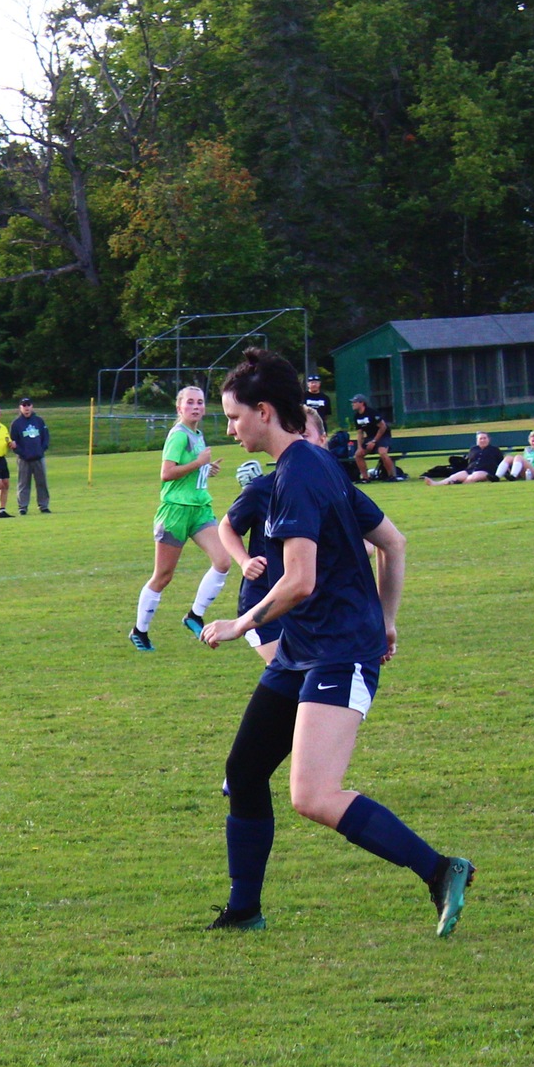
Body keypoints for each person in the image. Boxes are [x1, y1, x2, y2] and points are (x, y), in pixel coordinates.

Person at [197, 347, 474, 936]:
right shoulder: (314, 468)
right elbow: (393, 544)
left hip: (337, 652)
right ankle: (244, 910)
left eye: (233, 417)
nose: (229, 429)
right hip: (304, 650)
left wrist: (239, 625)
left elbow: (300, 580)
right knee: (245, 773)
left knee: (313, 795)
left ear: (265, 411)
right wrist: (388, 618)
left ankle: (439, 869)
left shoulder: (301, 474)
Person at [212, 405, 330, 668]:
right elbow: (227, 526)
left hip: (310, 604)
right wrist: (244, 561)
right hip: (263, 603)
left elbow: (375, 542)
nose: (300, 443)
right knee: (293, 675)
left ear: (323, 439)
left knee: (307, 682)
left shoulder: (333, 487)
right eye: (296, 435)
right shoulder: (263, 489)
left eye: (306, 435)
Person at [129, 385, 235, 652]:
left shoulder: (197, 434)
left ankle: (194, 616)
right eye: (190, 402)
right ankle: (139, 631)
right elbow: (166, 473)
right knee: (163, 576)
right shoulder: (178, 435)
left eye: (200, 402)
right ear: (179, 408)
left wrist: (205, 470)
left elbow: (188, 470)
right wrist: (198, 463)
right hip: (175, 511)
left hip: (199, 509)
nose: (196, 406)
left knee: (223, 561)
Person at [8, 395, 52, 514]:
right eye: (24, 406)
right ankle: (22, 507)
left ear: (32, 407)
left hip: (38, 457)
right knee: (23, 484)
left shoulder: (39, 421)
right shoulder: (16, 424)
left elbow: (45, 437)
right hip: (23, 459)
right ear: (20, 408)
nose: (26, 408)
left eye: (28, 405)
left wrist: (41, 450)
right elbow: (13, 443)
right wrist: (22, 453)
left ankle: (43, 505)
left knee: (42, 483)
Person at [349, 396, 398, 481]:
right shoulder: (357, 416)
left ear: (362, 403)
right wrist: (360, 447)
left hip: (383, 436)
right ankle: (365, 478)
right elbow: (360, 433)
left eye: (355, 402)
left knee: (382, 453)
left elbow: (383, 427)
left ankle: (392, 476)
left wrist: (374, 441)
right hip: (370, 437)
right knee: (358, 455)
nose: (352, 404)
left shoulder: (372, 413)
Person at [429, 432, 501, 485]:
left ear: (489, 439)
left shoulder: (495, 450)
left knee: (472, 478)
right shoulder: (473, 449)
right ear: (477, 440)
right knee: (453, 476)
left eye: (484, 438)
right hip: (470, 470)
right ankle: (436, 484)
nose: (482, 440)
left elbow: (501, 462)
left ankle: (458, 484)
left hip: (485, 471)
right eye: (480, 439)